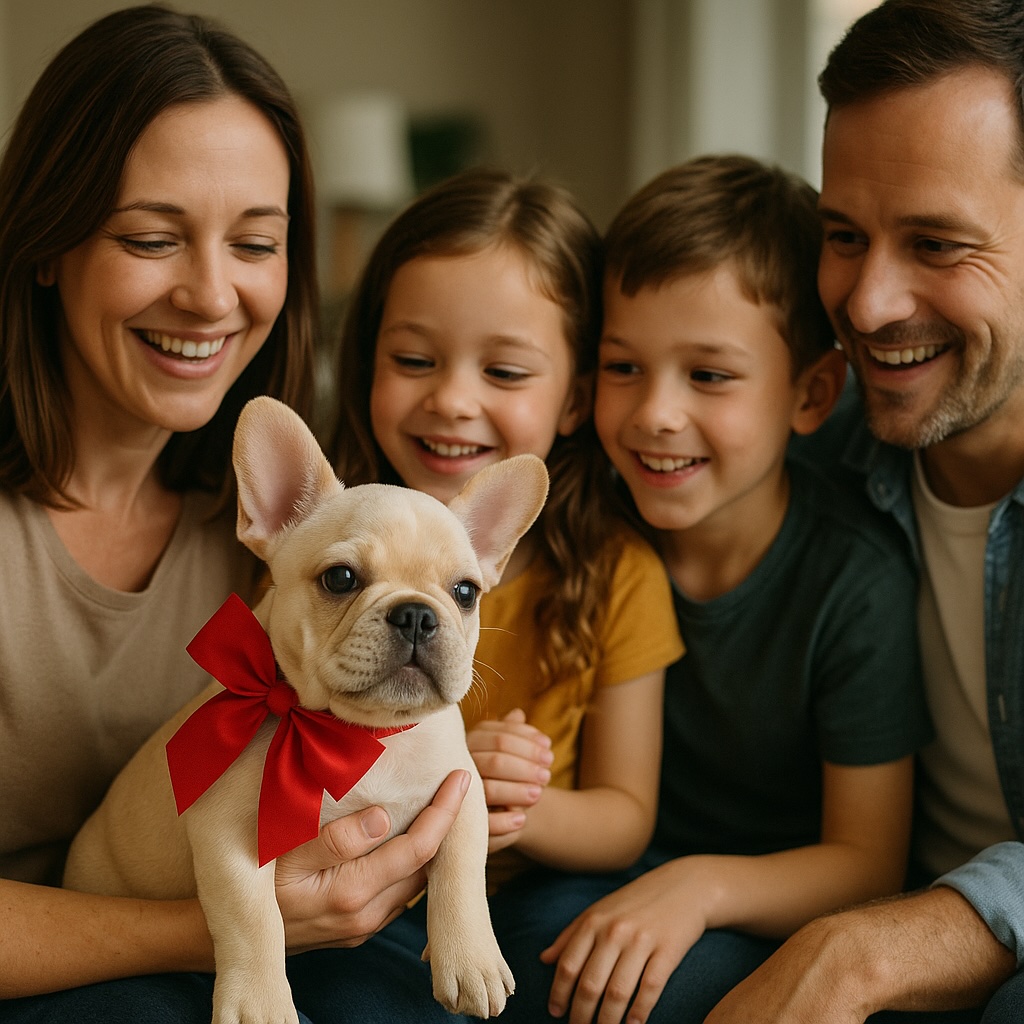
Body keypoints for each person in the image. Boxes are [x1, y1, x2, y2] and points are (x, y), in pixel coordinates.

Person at [0, 8, 469, 1022]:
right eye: (151, 238)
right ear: (45, 243)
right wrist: (224, 934)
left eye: (255, 243)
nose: (212, 295)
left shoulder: (301, 525)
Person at [502, 154, 935, 1024]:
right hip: (596, 878)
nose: (655, 414)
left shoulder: (854, 580)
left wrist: (699, 888)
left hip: (767, 902)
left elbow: (867, 863)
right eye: (624, 367)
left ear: (811, 394)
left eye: (708, 376)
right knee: (534, 966)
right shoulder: (583, 531)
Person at [704, 3, 1024, 1023]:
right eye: (844, 236)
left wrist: (868, 951)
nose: (869, 302)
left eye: (935, 243)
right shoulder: (803, 445)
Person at [326, 166, 684, 1013]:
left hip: (536, 884)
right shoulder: (322, 557)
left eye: (507, 372)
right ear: (367, 362)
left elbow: (626, 816)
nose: (452, 399)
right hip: (361, 879)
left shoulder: (616, 572)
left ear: (576, 400)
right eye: (414, 360)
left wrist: (505, 804)